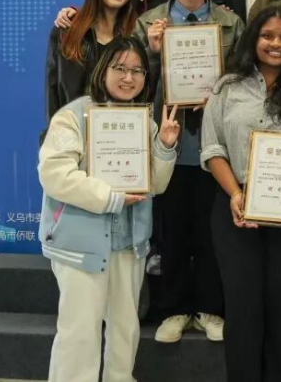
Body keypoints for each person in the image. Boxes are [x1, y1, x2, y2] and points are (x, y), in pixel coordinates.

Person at [37, 38, 182, 382]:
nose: (129, 78)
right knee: (79, 334)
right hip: (80, 245)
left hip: (129, 244)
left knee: (125, 330)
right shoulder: (73, 116)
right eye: (120, 68)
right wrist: (110, 197)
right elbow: (54, 175)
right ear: (103, 70)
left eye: (137, 71)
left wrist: (164, 145)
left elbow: (156, 185)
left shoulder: (144, 122)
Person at [201, 5, 281, 382]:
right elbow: (213, 148)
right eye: (268, 36)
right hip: (235, 208)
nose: (276, 44)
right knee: (242, 309)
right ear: (253, 39)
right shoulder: (227, 87)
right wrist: (235, 194)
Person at [132, 0, 244, 344]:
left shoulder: (231, 24)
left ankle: (211, 309)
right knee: (173, 233)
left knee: (215, 235)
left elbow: (244, 80)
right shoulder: (149, 24)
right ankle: (175, 309)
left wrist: (219, 92)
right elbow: (133, 85)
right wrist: (153, 53)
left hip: (217, 147)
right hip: (170, 145)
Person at [44, 0, 138, 141]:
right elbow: (53, 91)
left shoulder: (135, 35)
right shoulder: (66, 32)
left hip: (122, 140)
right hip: (75, 137)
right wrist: (54, 139)